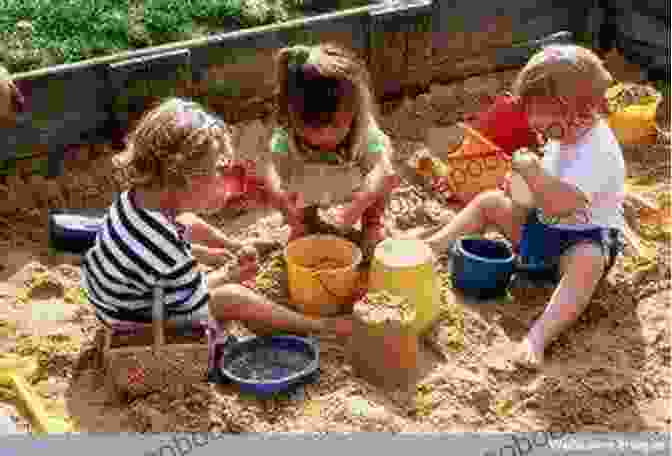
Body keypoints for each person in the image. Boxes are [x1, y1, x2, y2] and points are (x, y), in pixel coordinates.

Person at [406, 45, 626, 368]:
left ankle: (538, 336)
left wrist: (533, 174)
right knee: (491, 202)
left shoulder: (599, 149)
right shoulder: (561, 137)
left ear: (577, 108)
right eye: (531, 110)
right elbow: (537, 200)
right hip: (542, 232)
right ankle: (433, 245)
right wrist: (517, 189)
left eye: (540, 110)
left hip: (582, 238)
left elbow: (560, 202)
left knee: (588, 263)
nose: (533, 121)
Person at [80, 97, 353, 339]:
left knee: (187, 221)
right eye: (217, 172)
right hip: (138, 325)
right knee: (232, 298)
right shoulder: (164, 246)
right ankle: (319, 327)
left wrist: (222, 252)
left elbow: (169, 250)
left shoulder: (134, 200)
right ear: (185, 177)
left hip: (118, 298)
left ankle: (231, 245)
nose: (223, 180)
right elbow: (195, 293)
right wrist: (229, 273)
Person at [257, 43, 400, 253]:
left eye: (336, 129)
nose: (325, 140)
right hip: (309, 184)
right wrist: (284, 205)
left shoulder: (363, 130)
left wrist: (360, 204)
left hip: (356, 185)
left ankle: (372, 224)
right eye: (310, 133)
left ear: (353, 113)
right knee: (289, 197)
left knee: (384, 180)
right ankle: (305, 223)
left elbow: (382, 170)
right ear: (291, 117)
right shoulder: (286, 131)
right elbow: (270, 170)